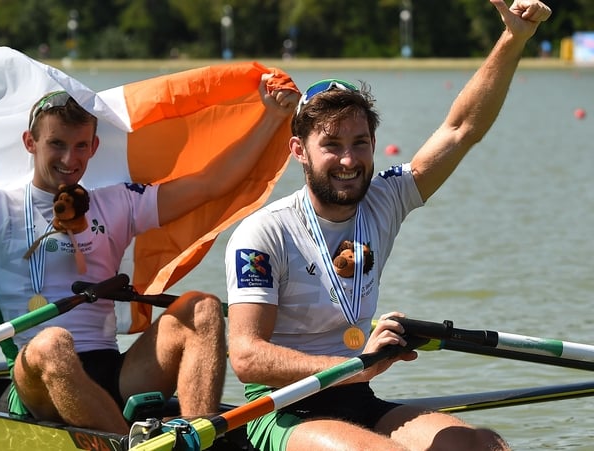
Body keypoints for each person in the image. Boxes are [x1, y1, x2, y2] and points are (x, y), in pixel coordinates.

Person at [0, 76, 298, 433]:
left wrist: (274, 116)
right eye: (57, 145)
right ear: (31, 143)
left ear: (94, 146)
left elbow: (214, 182)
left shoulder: (118, 202)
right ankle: (124, 444)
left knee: (202, 307)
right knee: (52, 341)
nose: (71, 160)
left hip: (113, 371)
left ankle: (197, 435)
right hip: (35, 380)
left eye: (81, 147)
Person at [224, 1, 552, 450]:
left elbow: (461, 130)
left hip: (358, 392)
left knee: (481, 444)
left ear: (374, 144)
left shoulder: (385, 198)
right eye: (332, 145)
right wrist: (359, 362)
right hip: (282, 408)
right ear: (299, 150)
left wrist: (514, 39)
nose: (348, 160)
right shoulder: (263, 233)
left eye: (359, 143)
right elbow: (246, 357)